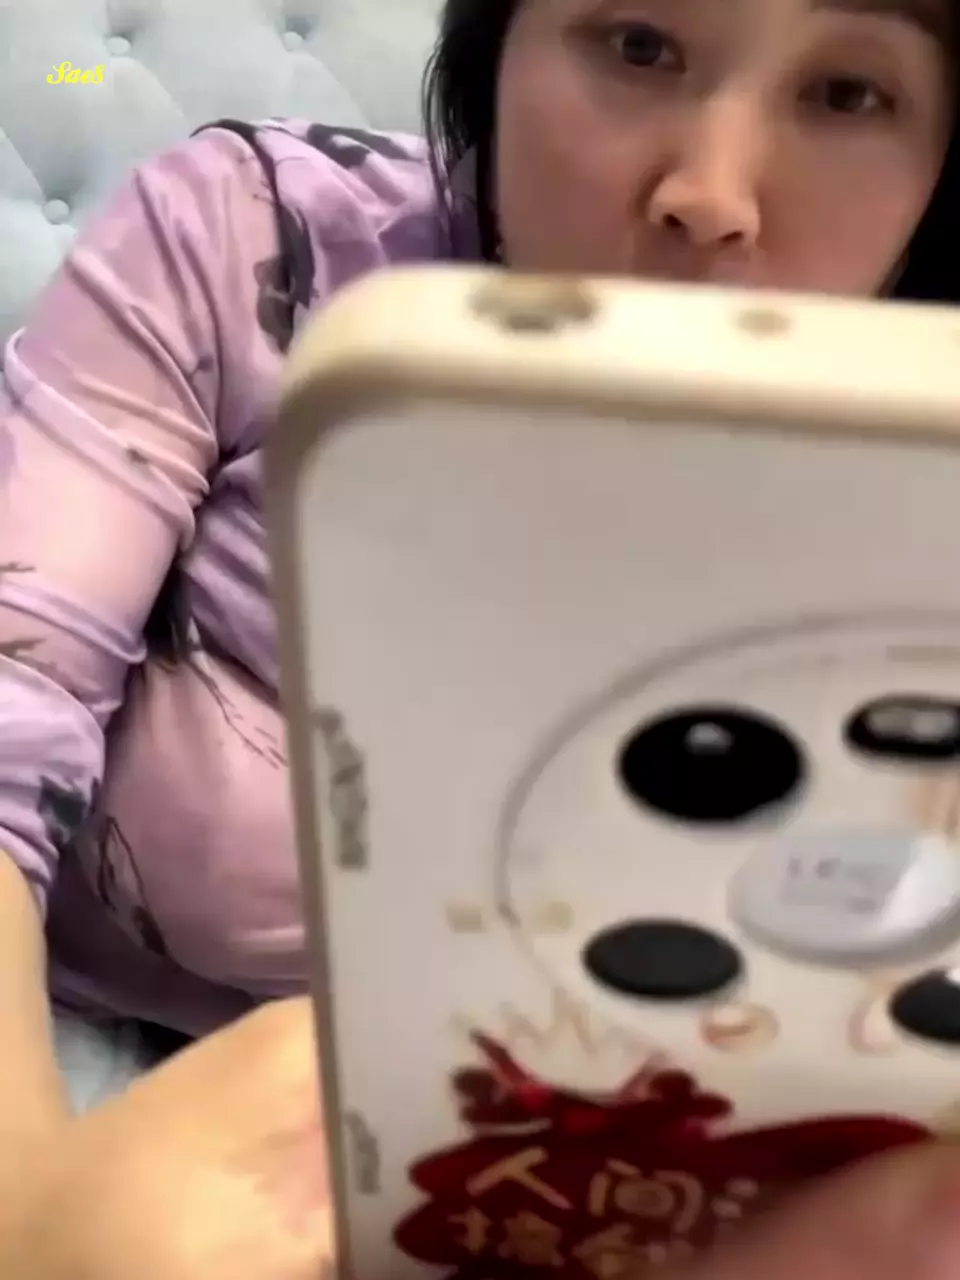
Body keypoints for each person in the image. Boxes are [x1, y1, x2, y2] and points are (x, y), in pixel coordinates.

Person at [0, 0, 957, 1271]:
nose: (710, 195)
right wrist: (34, 1217)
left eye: (848, 94)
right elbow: (13, 702)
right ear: (498, 44)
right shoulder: (259, 242)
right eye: (639, 45)